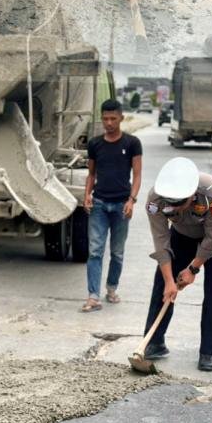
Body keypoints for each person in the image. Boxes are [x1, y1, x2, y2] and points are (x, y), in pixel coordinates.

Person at [141, 157, 212, 371]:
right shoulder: (155, 199)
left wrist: (193, 268)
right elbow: (161, 240)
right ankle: (154, 342)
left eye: (179, 204)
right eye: (170, 206)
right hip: (183, 234)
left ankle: (208, 352)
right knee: (161, 283)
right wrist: (169, 280)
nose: (173, 209)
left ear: (193, 194)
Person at [81, 99, 142, 312]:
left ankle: (111, 288)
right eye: (105, 119)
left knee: (117, 252)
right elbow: (91, 174)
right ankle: (93, 296)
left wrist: (132, 200)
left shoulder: (132, 143)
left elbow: (137, 174)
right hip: (99, 205)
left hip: (121, 206)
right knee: (95, 251)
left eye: (113, 119)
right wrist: (87, 194)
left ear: (121, 118)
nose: (109, 123)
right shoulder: (95, 144)